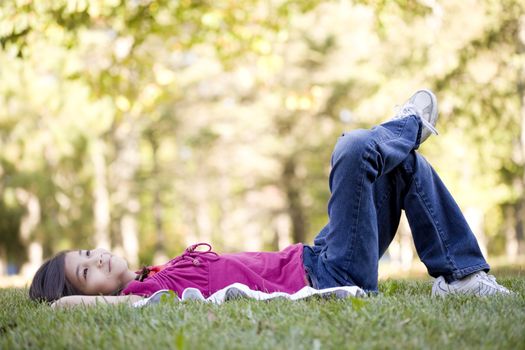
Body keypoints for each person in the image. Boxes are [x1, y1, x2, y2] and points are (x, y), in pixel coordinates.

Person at [29, 89, 513, 307]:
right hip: (329, 277)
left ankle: (464, 274)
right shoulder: (140, 298)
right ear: (86, 294)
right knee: (354, 148)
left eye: (89, 252)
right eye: (86, 271)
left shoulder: (154, 275)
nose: (99, 258)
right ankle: (408, 126)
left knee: (404, 164)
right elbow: (70, 308)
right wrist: (57, 297)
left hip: (316, 256)